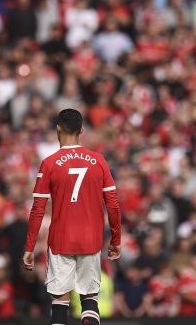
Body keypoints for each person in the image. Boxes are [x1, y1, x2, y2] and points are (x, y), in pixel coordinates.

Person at [23, 108, 122, 325]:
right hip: (91, 239)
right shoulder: (98, 161)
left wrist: (29, 247)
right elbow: (113, 204)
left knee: (60, 300)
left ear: (58, 129)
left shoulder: (49, 163)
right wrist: (116, 240)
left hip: (60, 239)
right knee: (89, 298)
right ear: (82, 130)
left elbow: (38, 209)